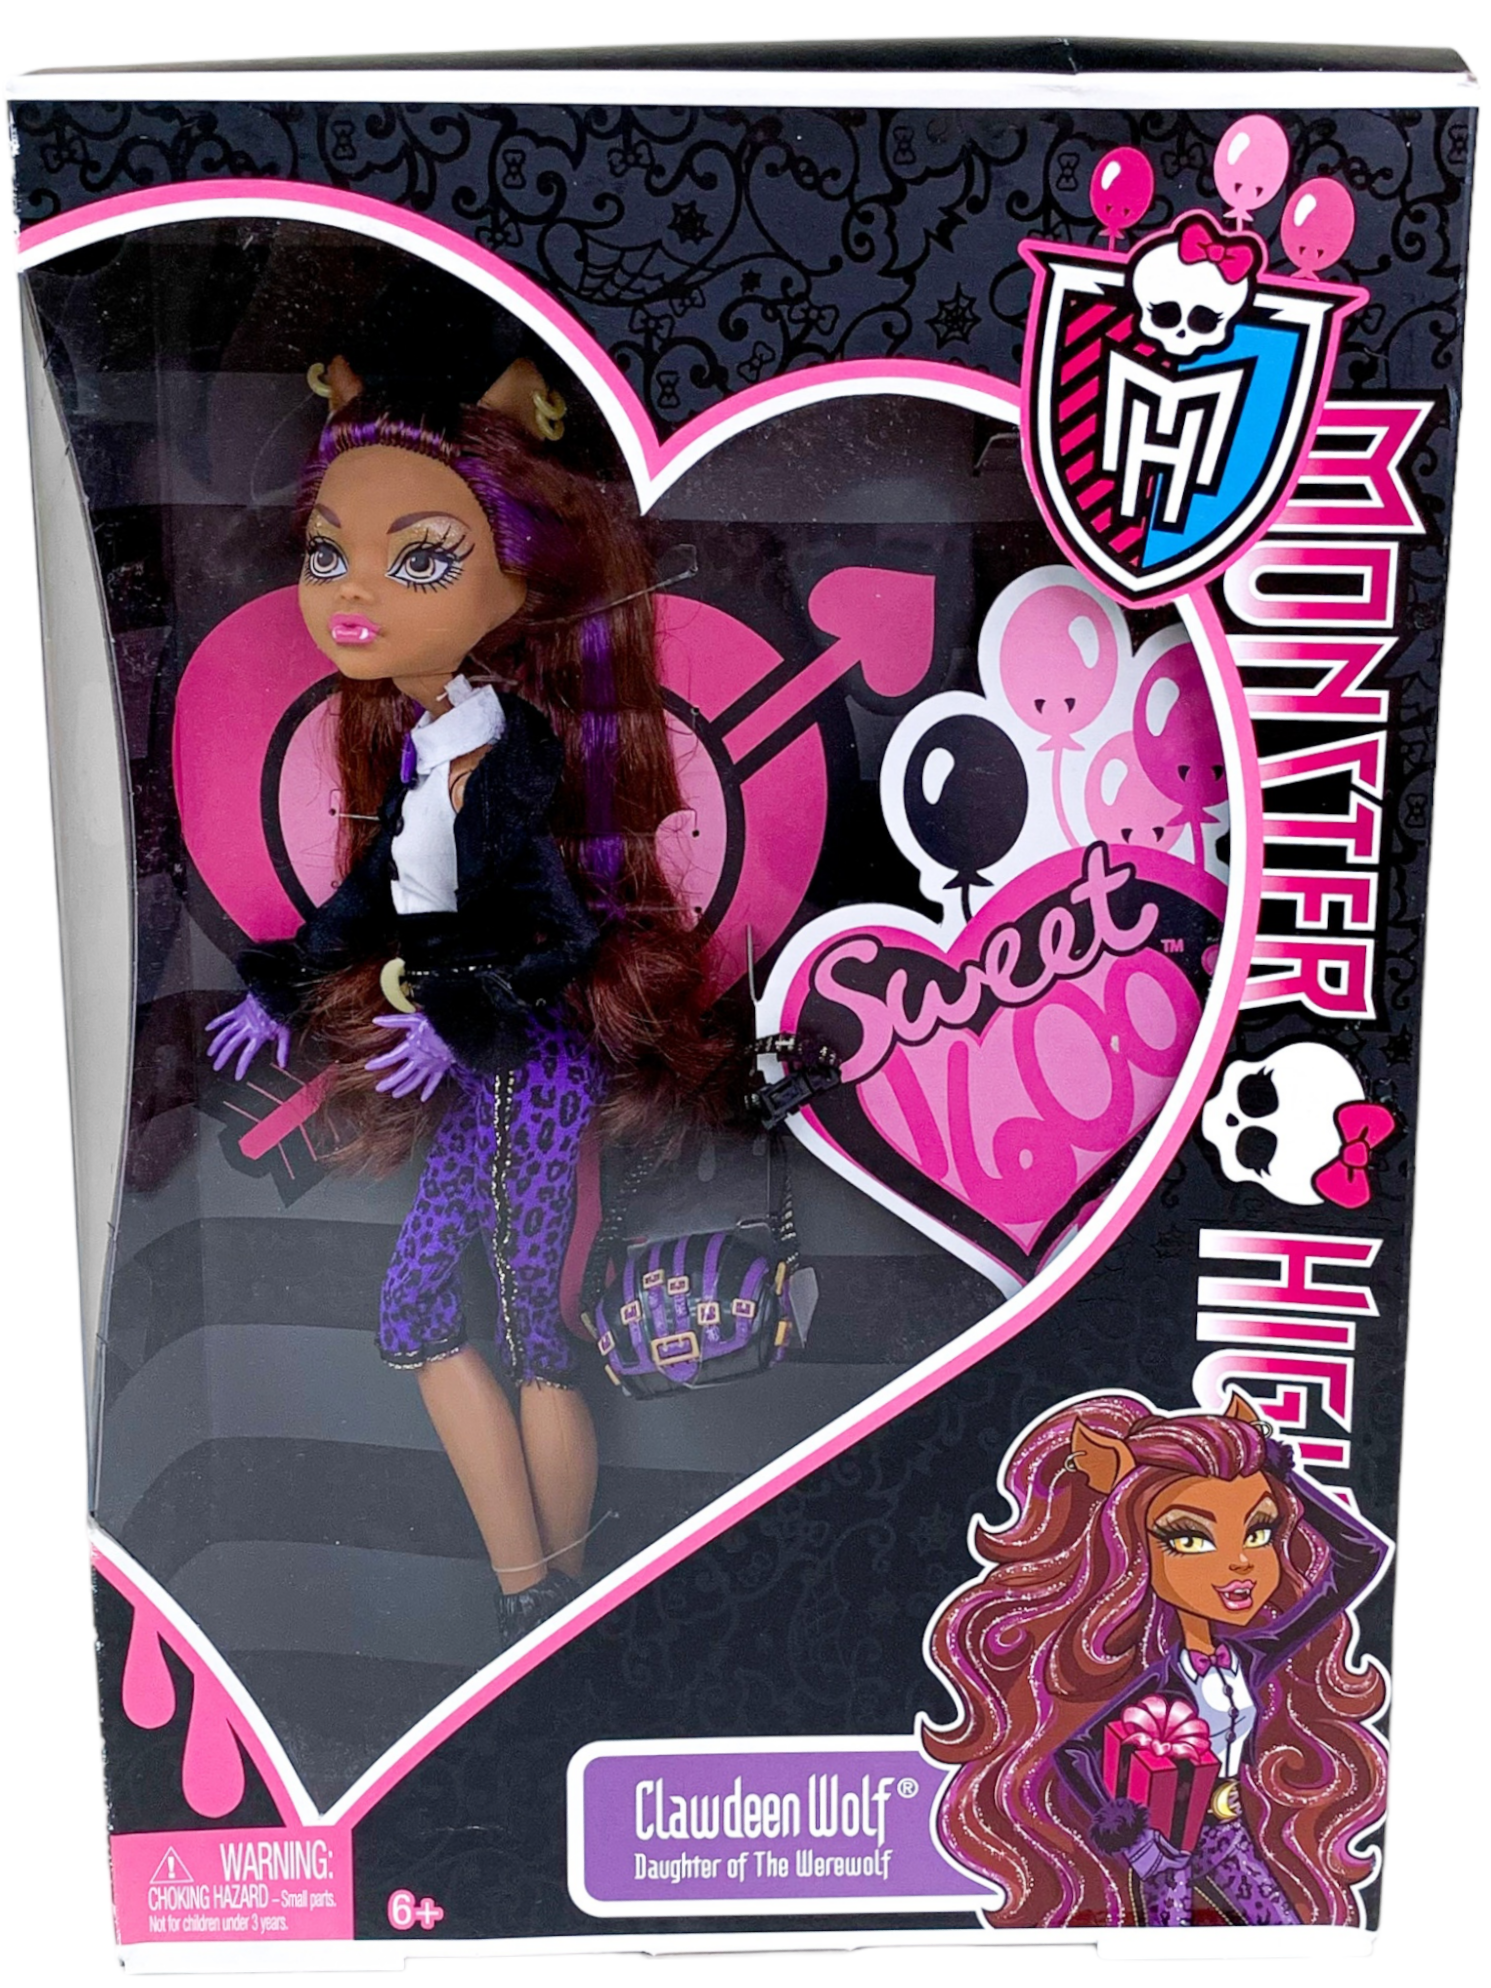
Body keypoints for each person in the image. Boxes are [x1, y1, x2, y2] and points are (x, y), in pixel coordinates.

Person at [206, 349, 731, 1647]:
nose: (353, 592)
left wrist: (454, 1018)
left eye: (421, 559)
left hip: (522, 1061)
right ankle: (535, 1591)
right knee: (442, 1314)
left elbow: (560, 938)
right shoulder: (435, 740)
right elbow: (377, 890)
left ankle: (548, 1600)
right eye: (328, 553)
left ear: (520, 580)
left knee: (517, 1323)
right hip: (476, 1061)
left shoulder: (515, 755)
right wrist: (284, 987)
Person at [922, 1390, 1388, 1926]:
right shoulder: (1158, 1683)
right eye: (1189, 1540)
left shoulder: (1249, 1656)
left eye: (1257, 1532)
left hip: (1229, 1833)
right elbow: (1075, 1753)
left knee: (1284, 1933)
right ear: (1139, 1552)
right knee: (1165, 1950)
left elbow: (1361, 1556)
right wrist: (1134, 1839)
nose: (1240, 1562)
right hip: (1166, 1844)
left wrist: (1281, 1471)